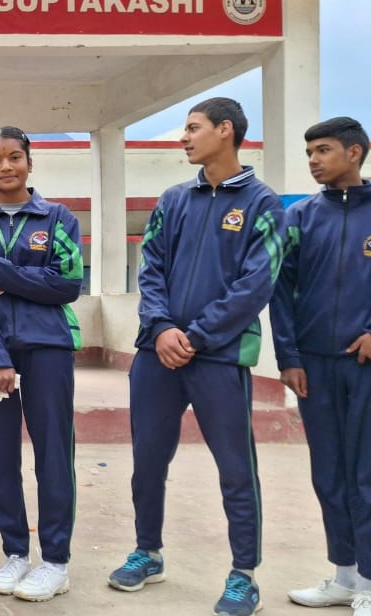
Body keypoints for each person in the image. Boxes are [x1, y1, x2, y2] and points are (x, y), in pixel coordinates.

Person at [106, 98, 284, 616]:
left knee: (236, 468)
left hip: (220, 358)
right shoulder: (173, 199)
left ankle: (244, 575)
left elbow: (256, 285)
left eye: (192, 128)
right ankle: (147, 552)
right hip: (156, 355)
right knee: (147, 461)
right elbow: (151, 268)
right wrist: (162, 328)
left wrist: (197, 337)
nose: (183, 138)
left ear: (225, 130)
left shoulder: (263, 204)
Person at [0, 127, 83, 602]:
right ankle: (15, 552)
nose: (6, 166)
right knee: (1, 456)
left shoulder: (58, 217)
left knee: (54, 455)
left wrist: (0, 272)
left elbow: (67, 283)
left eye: (14, 157)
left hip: (48, 347)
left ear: (30, 161)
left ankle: (55, 562)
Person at [269, 116, 371, 614]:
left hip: (365, 364)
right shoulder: (300, 217)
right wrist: (289, 357)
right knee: (328, 472)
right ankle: (345, 577)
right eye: (309, 152)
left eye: (323, 150)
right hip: (313, 365)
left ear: (355, 152)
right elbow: (280, 290)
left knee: (366, 473)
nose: (313, 160)